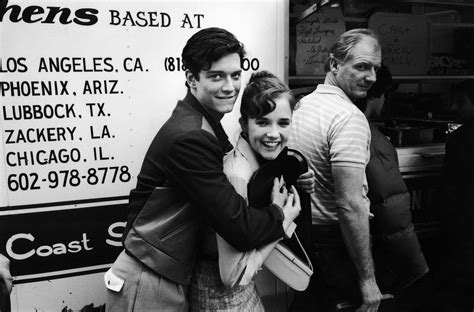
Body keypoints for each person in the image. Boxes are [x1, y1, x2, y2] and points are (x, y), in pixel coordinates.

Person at [104, 28, 300, 311]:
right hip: (147, 278)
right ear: (191, 78)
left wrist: (296, 175)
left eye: (235, 75)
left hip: (166, 273)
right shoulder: (191, 136)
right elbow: (238, 226)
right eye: (216, 76)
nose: (230, 86)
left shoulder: (205, 122)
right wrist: (281, 215)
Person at [189, 71, 314, 311]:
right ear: (244, 123)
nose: (274, 134)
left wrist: (298, 184)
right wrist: (282, 220)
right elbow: (233, 276)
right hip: (223, 297)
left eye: (283, 123)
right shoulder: (237, 174)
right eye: (262, 122)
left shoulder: (253, 153)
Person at [289, 28, 383, 311]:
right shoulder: (349, 117)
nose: (372, 77)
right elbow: (349, 204)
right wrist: (368, 280)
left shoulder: (304, 104)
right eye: (362, 66)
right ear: (334, 65)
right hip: (334, 243)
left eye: (376, 69)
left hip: (303, 236)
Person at [356, 64, 429, 309]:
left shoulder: (337, 122)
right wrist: (415, 266)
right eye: (385, 94)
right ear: (374, 95)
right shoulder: (373, 141)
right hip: (376, 252)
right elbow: (392, 207)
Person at [436, 79, 474, 311]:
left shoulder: (462, 138)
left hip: (464, 221)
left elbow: (451, 186)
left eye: (460, 102)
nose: (454, 108)